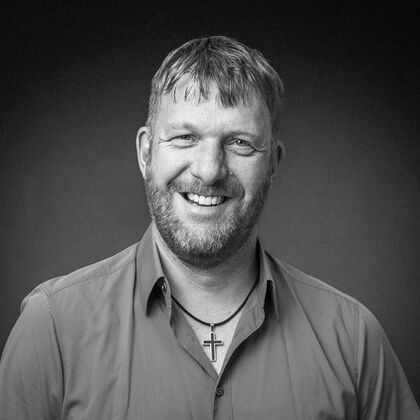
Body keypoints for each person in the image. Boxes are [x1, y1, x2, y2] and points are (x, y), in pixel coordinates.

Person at [0, 36, 418, 420]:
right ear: (146, 153)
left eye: (239, 143)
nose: (209, 170)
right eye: (185, 137)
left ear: (273, 163)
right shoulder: (51, 328)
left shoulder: (354, 339)